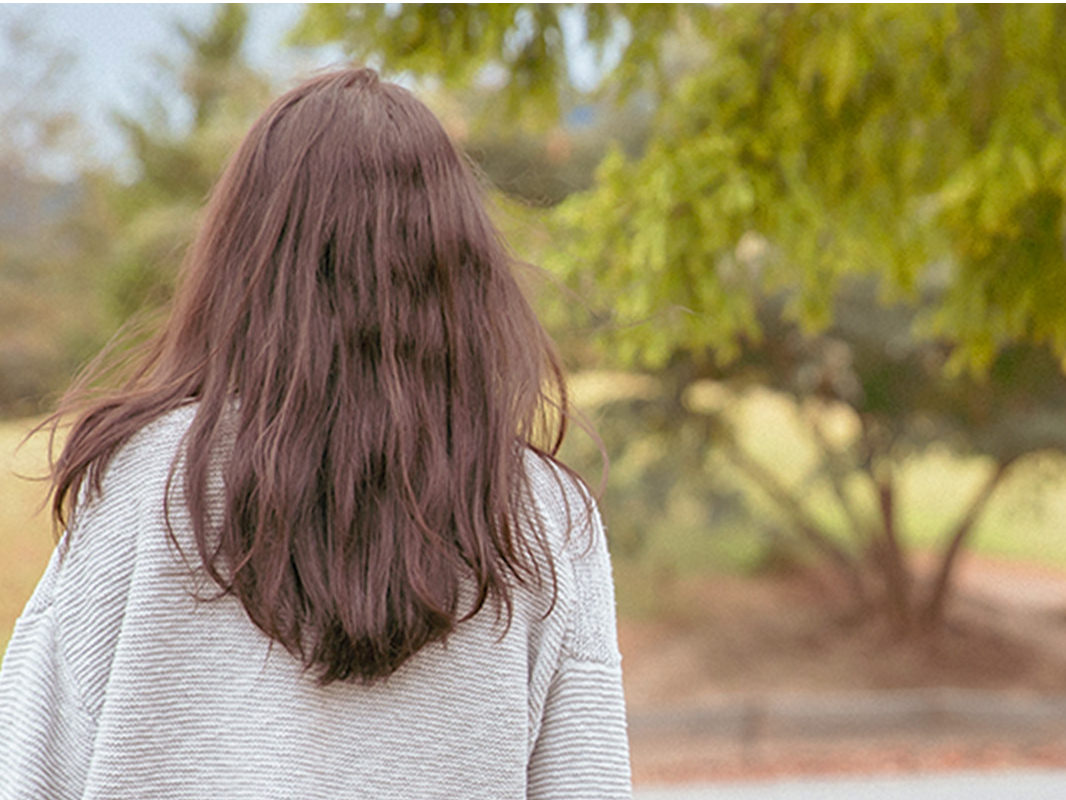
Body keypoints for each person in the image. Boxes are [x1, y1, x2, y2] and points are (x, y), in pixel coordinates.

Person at [0, 68, 631, 799]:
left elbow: (27, 768)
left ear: (244, 258)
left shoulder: (142, 482)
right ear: (458, 266)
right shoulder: (545, 518)